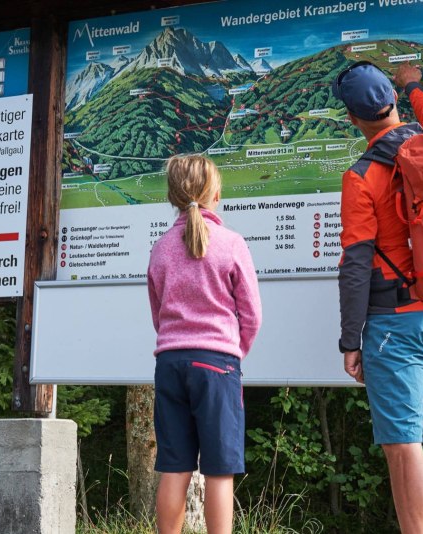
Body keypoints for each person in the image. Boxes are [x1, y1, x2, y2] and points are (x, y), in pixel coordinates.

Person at [332, 61, 423, 534]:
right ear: (392, 103)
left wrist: (350, 339)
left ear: (354, 120)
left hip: (395, 322)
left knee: (404, 446)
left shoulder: (361, 177)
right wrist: (413, 86)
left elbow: (356, 263)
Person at [146, 154, 262, 534]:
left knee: (174, 467)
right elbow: (252, 314)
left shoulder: (161, 248)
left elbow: (158, 311)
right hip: (217, 363)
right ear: (215, 194)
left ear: (173, 195)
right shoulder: (231, 243)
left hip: (170, 362)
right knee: (219, 470)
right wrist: (234, 350)